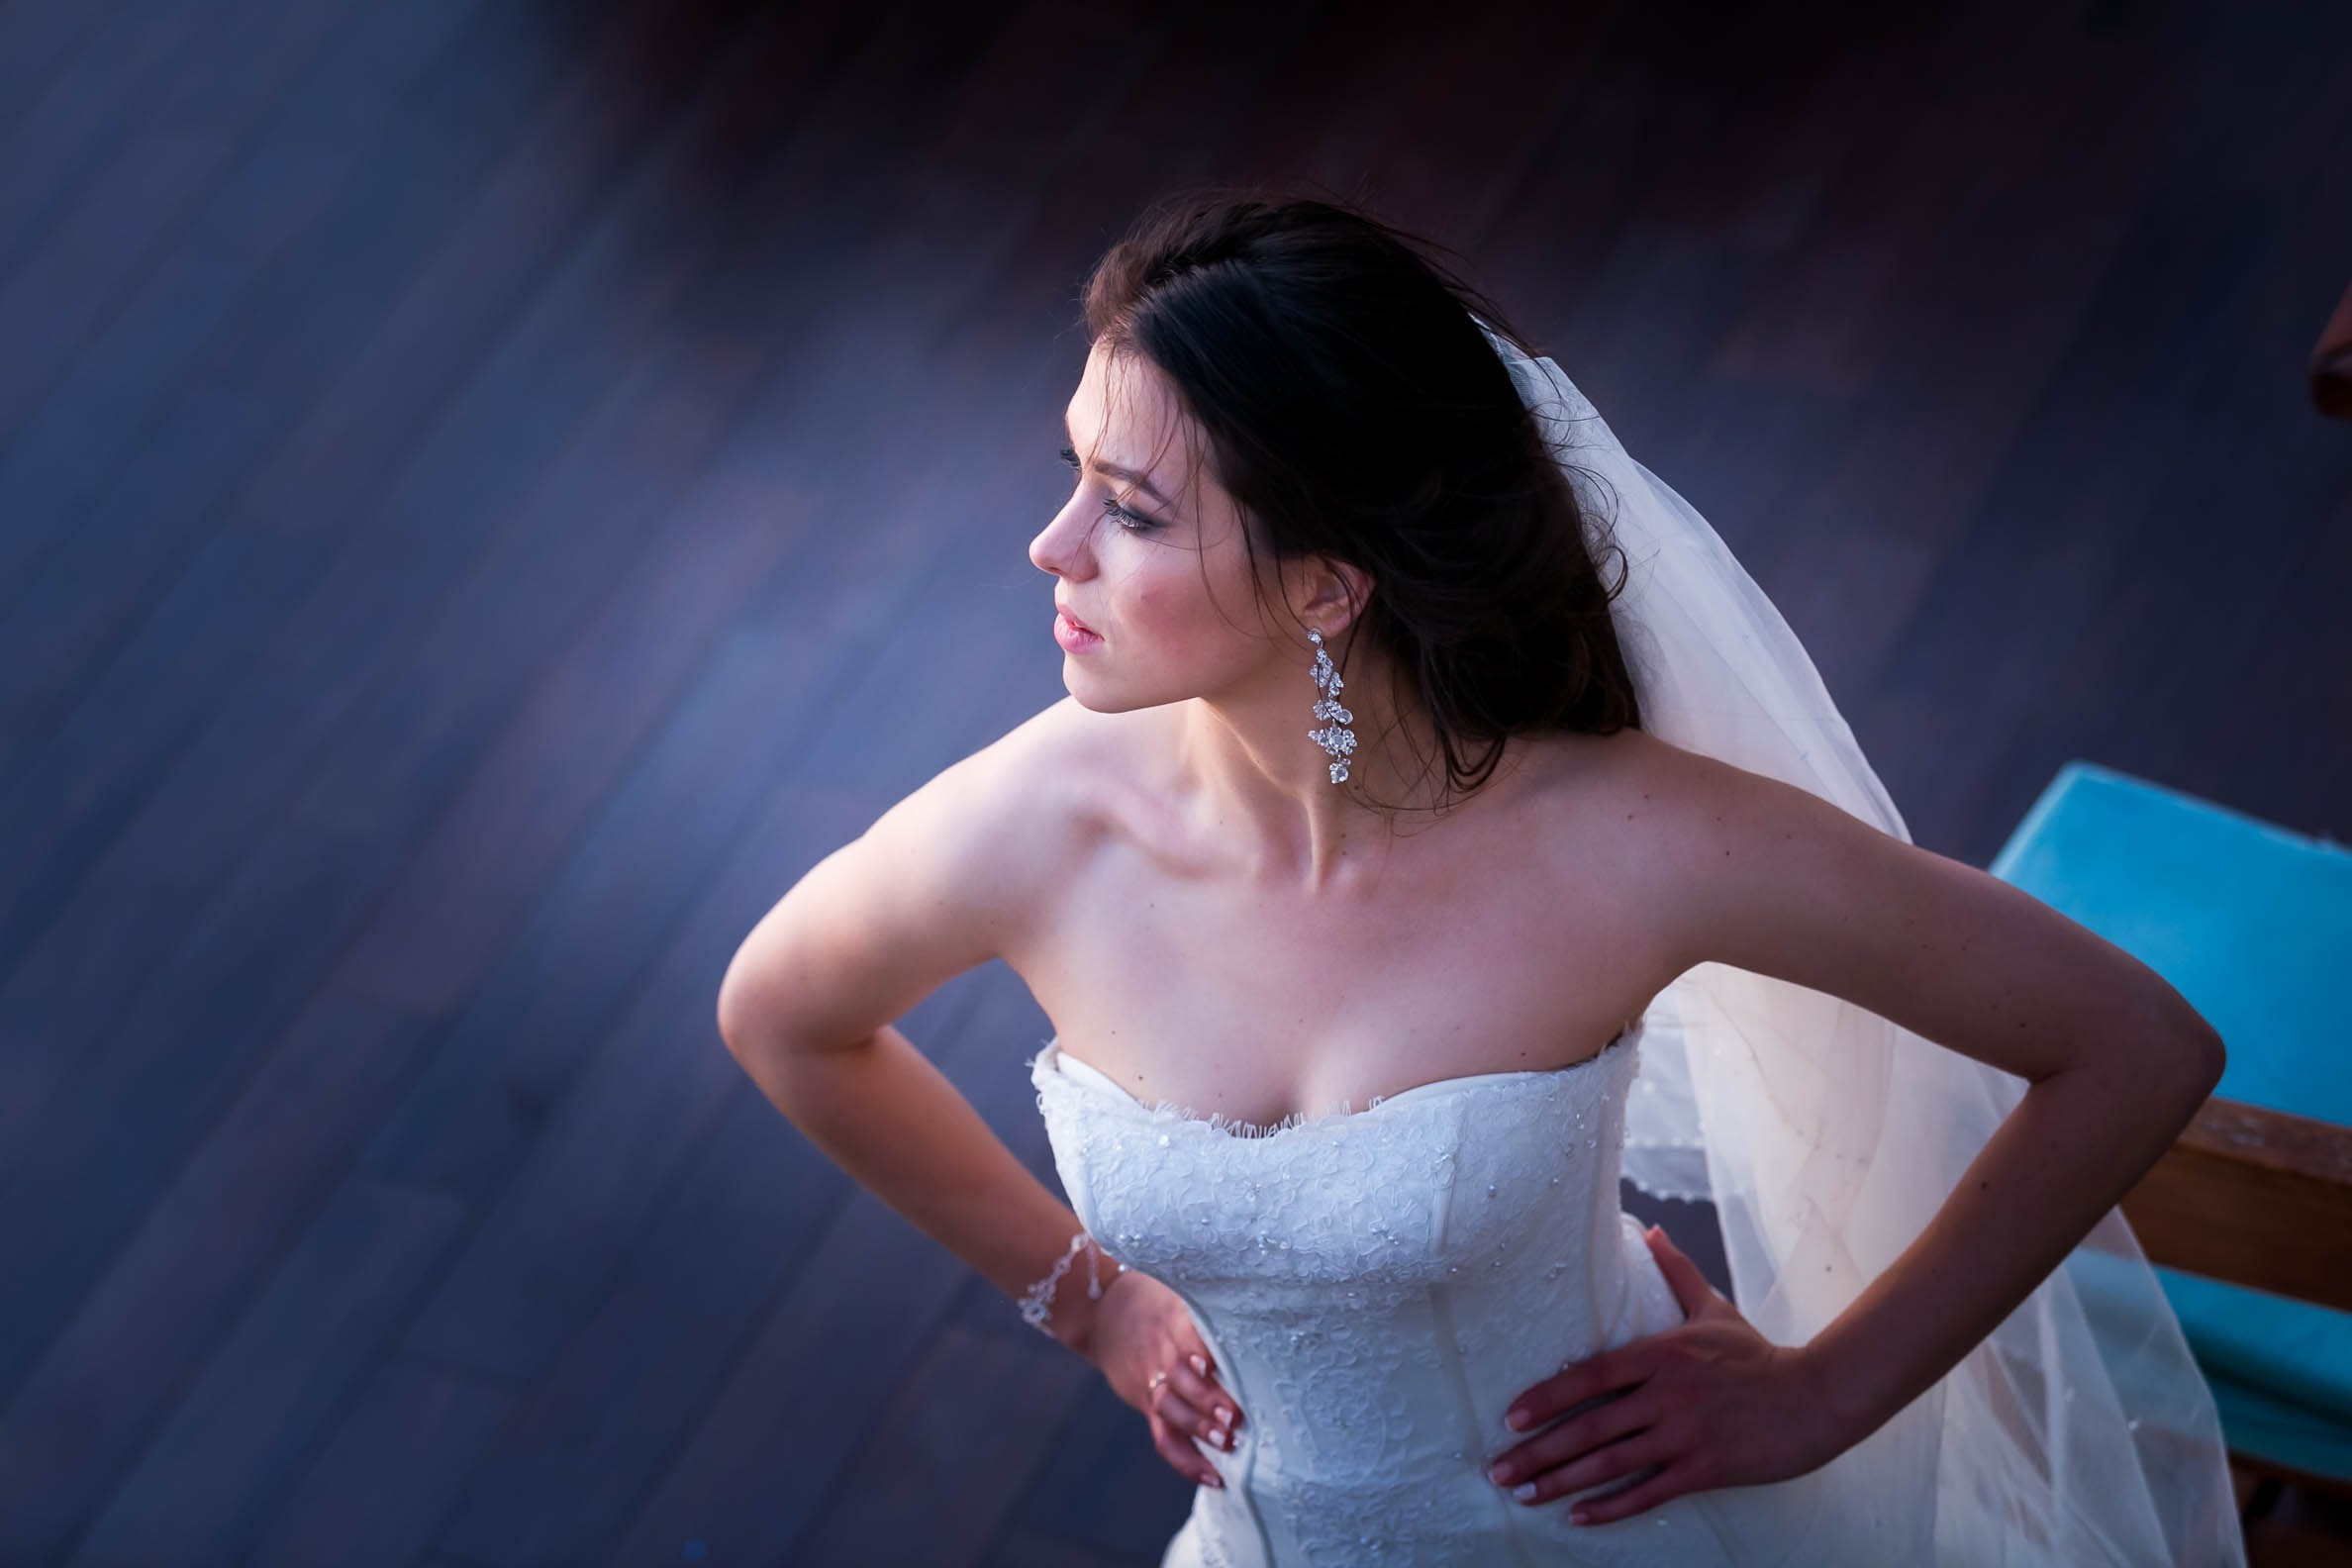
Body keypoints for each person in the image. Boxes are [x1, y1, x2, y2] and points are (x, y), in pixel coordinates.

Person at [716, 186, 2246, 1564]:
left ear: (1327, 584)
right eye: (1075, 478)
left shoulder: (1632, 844)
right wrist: (1091, 1299)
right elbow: (782, 1016)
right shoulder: (1037, 822)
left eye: (1130, 511)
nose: (1052, 548)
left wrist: (1824, 1397)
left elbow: (2132, 1046)